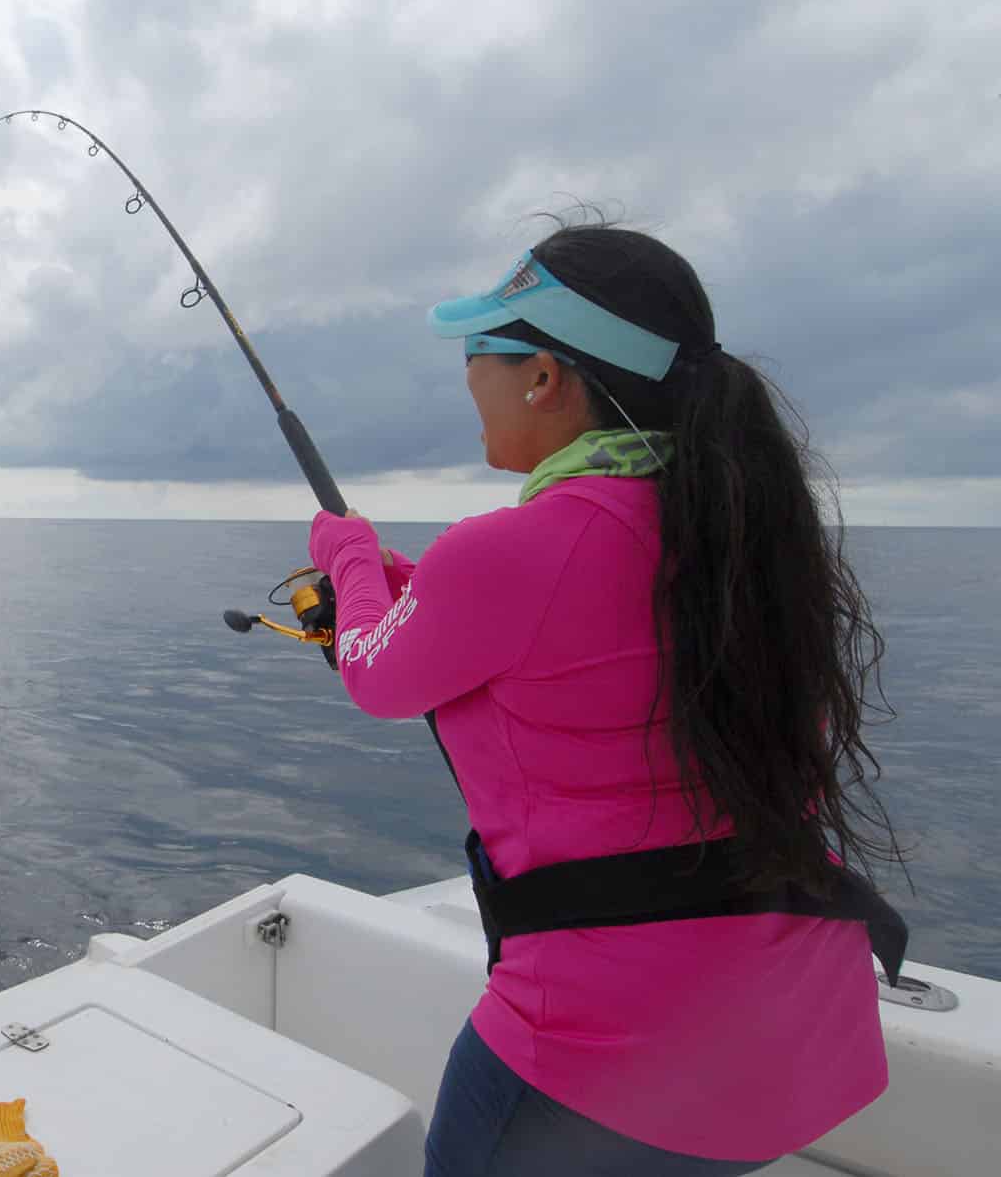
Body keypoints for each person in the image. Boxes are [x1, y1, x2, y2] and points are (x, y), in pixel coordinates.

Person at [306, 225, 906, 1176]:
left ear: (544, 376)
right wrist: (417, 586)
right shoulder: (741, 538)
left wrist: (347, 554)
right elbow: (584, 632)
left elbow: (377, 671)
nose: (467, 378)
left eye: (479, 352)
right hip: (787, 1038)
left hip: (605, 1069)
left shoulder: (504, 553)